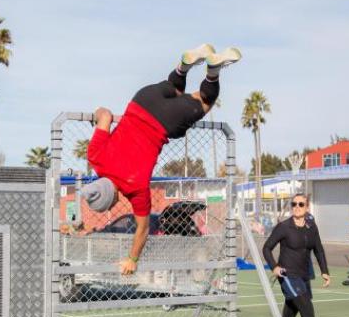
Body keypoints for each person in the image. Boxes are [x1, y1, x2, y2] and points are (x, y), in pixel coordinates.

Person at [81, 44, 242, 275]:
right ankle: (183, 67)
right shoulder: (95, 157)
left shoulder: (134, 189)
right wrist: (96, 112)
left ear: (112, 198)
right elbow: (104, 115)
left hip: (164, 122)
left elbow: (143, 228)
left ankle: (213, 71)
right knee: (173, 88)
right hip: (143, 100)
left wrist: (132, 259)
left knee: (204, 100)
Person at [263, 193, 338, 317]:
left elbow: (318, 250)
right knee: (307, 310)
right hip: (288, 276)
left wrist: (325, 271)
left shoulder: (311, 228)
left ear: (307, 207)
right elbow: (266, 248)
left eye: (301, 204)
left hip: (303, 277)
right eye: (294, 204)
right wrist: (274, 267)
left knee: (290, 313)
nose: (297, 207)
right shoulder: (284, 227)